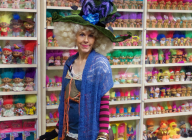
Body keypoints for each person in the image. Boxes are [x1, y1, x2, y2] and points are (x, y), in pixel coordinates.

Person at [37, 0, 131, 140]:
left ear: (96, 39)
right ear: (74, 36)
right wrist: (56, 130)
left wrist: (103, 135)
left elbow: (104, 102)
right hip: (70, 133)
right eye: (82, 34)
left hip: (93, 134)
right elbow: (67, 103)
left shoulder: (100, 64)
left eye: (91, 35)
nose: (86, 40)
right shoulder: (69, 63)